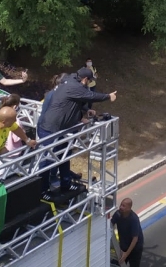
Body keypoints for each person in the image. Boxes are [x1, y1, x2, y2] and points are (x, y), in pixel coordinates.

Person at [37, 68, 117, 198]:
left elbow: (72, 100)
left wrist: (86, 109)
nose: (89, 84)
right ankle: (42, 191)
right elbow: (91, 96)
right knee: (48, 160)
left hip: (61, 129)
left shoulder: (70, 80)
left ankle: (66, 184)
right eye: (89, 81)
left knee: (65, 156)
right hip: (50, 129)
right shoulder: (74, 86)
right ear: (85, 79)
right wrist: (109, 96)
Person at [111, 198, 144, 267]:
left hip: (135, 248)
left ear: (129, 208)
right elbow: (110, 225)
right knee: (120, 262)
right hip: (124, 244)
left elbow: (135, 239)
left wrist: (126, 254)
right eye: (121, 205)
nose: (121, 207)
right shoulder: (118, 214)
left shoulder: (133, 219)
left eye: (123, 206)